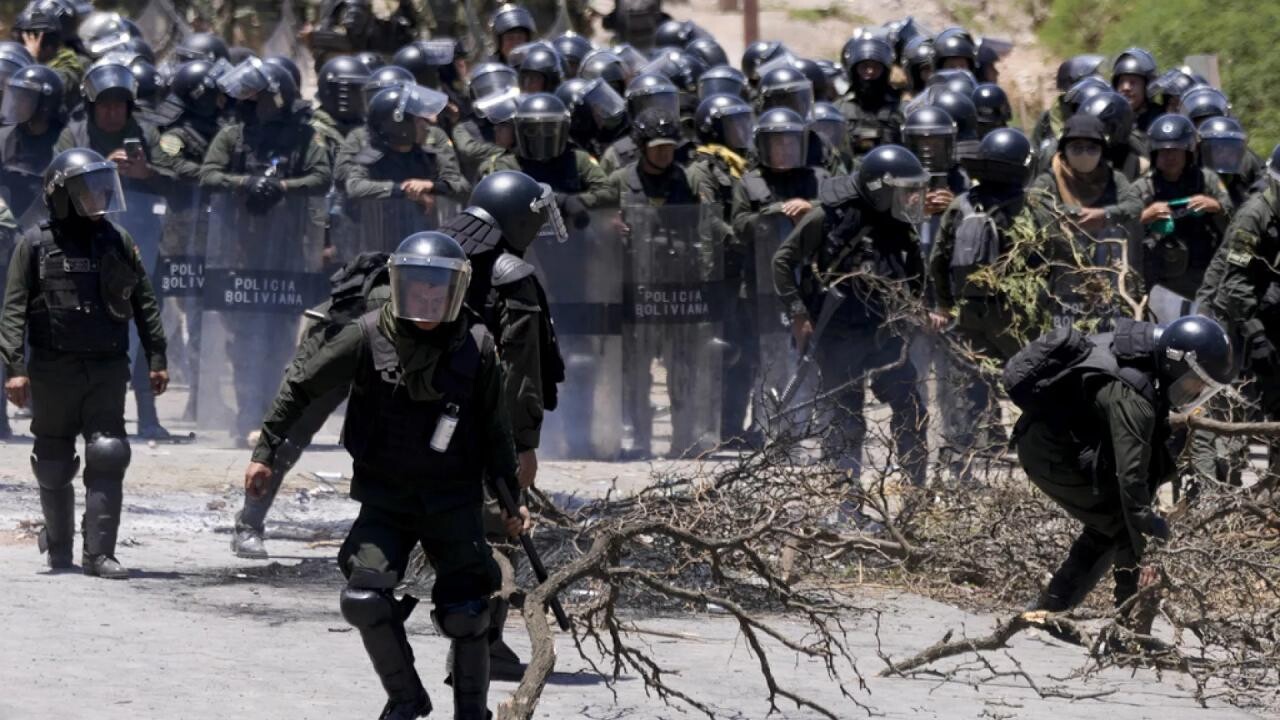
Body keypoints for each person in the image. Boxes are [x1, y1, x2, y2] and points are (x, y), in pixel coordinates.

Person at [242, 231, 526, 720]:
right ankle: (406, 697)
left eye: (439, 289)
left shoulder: (477, 346)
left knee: (468, 613)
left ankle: (471, 713)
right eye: (419, 287)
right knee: (364, 599)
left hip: (453, 500)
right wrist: (266, 451)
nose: (428, 298)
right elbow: (301, 383)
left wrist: (510, 498)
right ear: (400, 286)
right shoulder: (367, 334)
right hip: (387, 498)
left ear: (456, 290)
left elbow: (496, 431)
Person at [0, 148, 168, 578]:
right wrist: (15, 369)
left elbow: (145, 302)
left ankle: (100, 554)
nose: (100, 198)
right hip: (52, 370)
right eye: (90, 190)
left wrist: (157, 356)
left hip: (107, 368)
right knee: (53, 460)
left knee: (109, 452)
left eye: (103, 189)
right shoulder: (33, 244)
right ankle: (59, 548)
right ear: (63, 195)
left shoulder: (118, 240)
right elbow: (13, 312)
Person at [1013, 315, 1233, 613]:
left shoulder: (1139, 348)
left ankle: (1054, 604)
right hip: (1048, 454)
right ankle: (1089, 611)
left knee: (1117, 517)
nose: (1195, 393)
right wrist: (1148, 531)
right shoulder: (1133, 399)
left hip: (1061, 436)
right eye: (1195, 382)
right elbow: (1131, 486)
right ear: (1178, 363)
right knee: (1120, 525)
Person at [442, 169, 566, 679]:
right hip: (487, 430)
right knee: (498, 530)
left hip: (435, 424)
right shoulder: (511, 276)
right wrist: (522, 444)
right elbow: (520, 375)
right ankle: (480, 646)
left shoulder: (445, 258)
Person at [771, 145, 930, 487]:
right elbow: (782, 262)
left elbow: (915, 273)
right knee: (846, 417)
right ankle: (845, 498)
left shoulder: (898, 221)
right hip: (838, 333)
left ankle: (916, 492)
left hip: (884, 332)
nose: (911, 199)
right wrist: (799, 315)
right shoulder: (827, 216)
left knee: (911, 406)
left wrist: (917, 309)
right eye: (903, 191)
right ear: (880, 189)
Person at [199, 58, 333, 445]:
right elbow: (208, 174)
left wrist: (283, 187)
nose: (248, 104)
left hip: (287, 255)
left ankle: (269, 417)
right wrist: (245, 183)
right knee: (243, 339)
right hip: (239, 252)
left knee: (278, 340)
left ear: (279, 97)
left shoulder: (306, 135)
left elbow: (322, 177)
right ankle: (246, 415)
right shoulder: (233, 135)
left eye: (256, 98)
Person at [929, 128, 1038, 473]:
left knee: (969, 386)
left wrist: (945, 305)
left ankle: (961, 461)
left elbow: (937, 260)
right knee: (1032, 381)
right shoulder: (1031, 206)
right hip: (1015, 316)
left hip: (968, 313)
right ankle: (1040, 451)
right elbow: (1055, 255)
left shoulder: (960, 205)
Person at [1028, 114, 1142, 327]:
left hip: (1109, 279)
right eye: (1077, 148)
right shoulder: (1049, 180)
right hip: (1061, 280)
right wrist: (1075, 215)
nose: (1084, 154)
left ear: (1102, 151)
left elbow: (1135, 206)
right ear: (1064, 149)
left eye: (1092, 148)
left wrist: (1105, 215)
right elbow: (1038, 205)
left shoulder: (1114, 179)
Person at [1133, 113, 1232, 299]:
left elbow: (1236, 220)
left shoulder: (1207, 180)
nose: (1170, 157)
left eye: (1175, 150)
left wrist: (1216, 206)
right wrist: (1145, 216)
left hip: (1203, 275)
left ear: (1188, 152)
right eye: (1164, 151)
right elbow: (1120, 228)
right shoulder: (1143, 187)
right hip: (1158, 278)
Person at [836, 36, 903, 160]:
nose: (870, 71)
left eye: (876, 67)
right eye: (864, 66)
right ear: (854, 70)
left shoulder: (898, 107)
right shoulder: (839, 109)